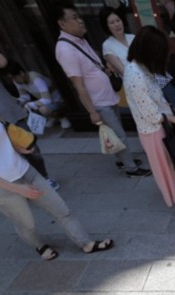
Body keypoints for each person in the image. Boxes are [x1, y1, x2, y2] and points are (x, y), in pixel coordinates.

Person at [0, 111, 114, 260]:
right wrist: (20, 189)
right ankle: (39, 245)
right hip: (1, 188)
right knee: (27, 224)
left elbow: (3, 133)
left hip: (25, 170)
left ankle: (86, 243)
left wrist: (18, 147)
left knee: (61, 210)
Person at [53, 0, 150, 177]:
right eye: (74, 18)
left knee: (116, 133)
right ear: (62, 23)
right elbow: (78, 84)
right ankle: (131, 169)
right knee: (119, 135)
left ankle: (122, 159)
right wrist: (92, 112)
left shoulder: (79, 40)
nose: (80, 20)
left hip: (107, 96)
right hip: (99, 102)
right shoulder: (65, 49)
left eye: (79, 16)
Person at [124, 26, 175, 208]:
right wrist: (171, 118)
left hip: (159, 124)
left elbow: (156, 96)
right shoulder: (136, 75)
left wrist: (173, 113)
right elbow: (149, 113)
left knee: (172, 159)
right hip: (152, 129)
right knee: (165, 164)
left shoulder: (141, 67)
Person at [0, 48, 60, 191]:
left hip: (9, 112)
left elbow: (2, 62)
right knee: (5, 157)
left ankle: (44, 178)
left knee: (31, 147)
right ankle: (22, 185)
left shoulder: (32, 77)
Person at [1, 60, 71, 129]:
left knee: (43, 109)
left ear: (21, 73)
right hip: (47, 102)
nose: (14, 80)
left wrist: (28, 105)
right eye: (11, 78)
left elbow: (47, 100)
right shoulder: (18, 81)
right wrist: (18, 101)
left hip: (60, 101)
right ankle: (53, 117)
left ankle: (62, 117)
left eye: (14, 77)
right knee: (37, 107)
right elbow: (25, 96)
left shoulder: (35, 78)